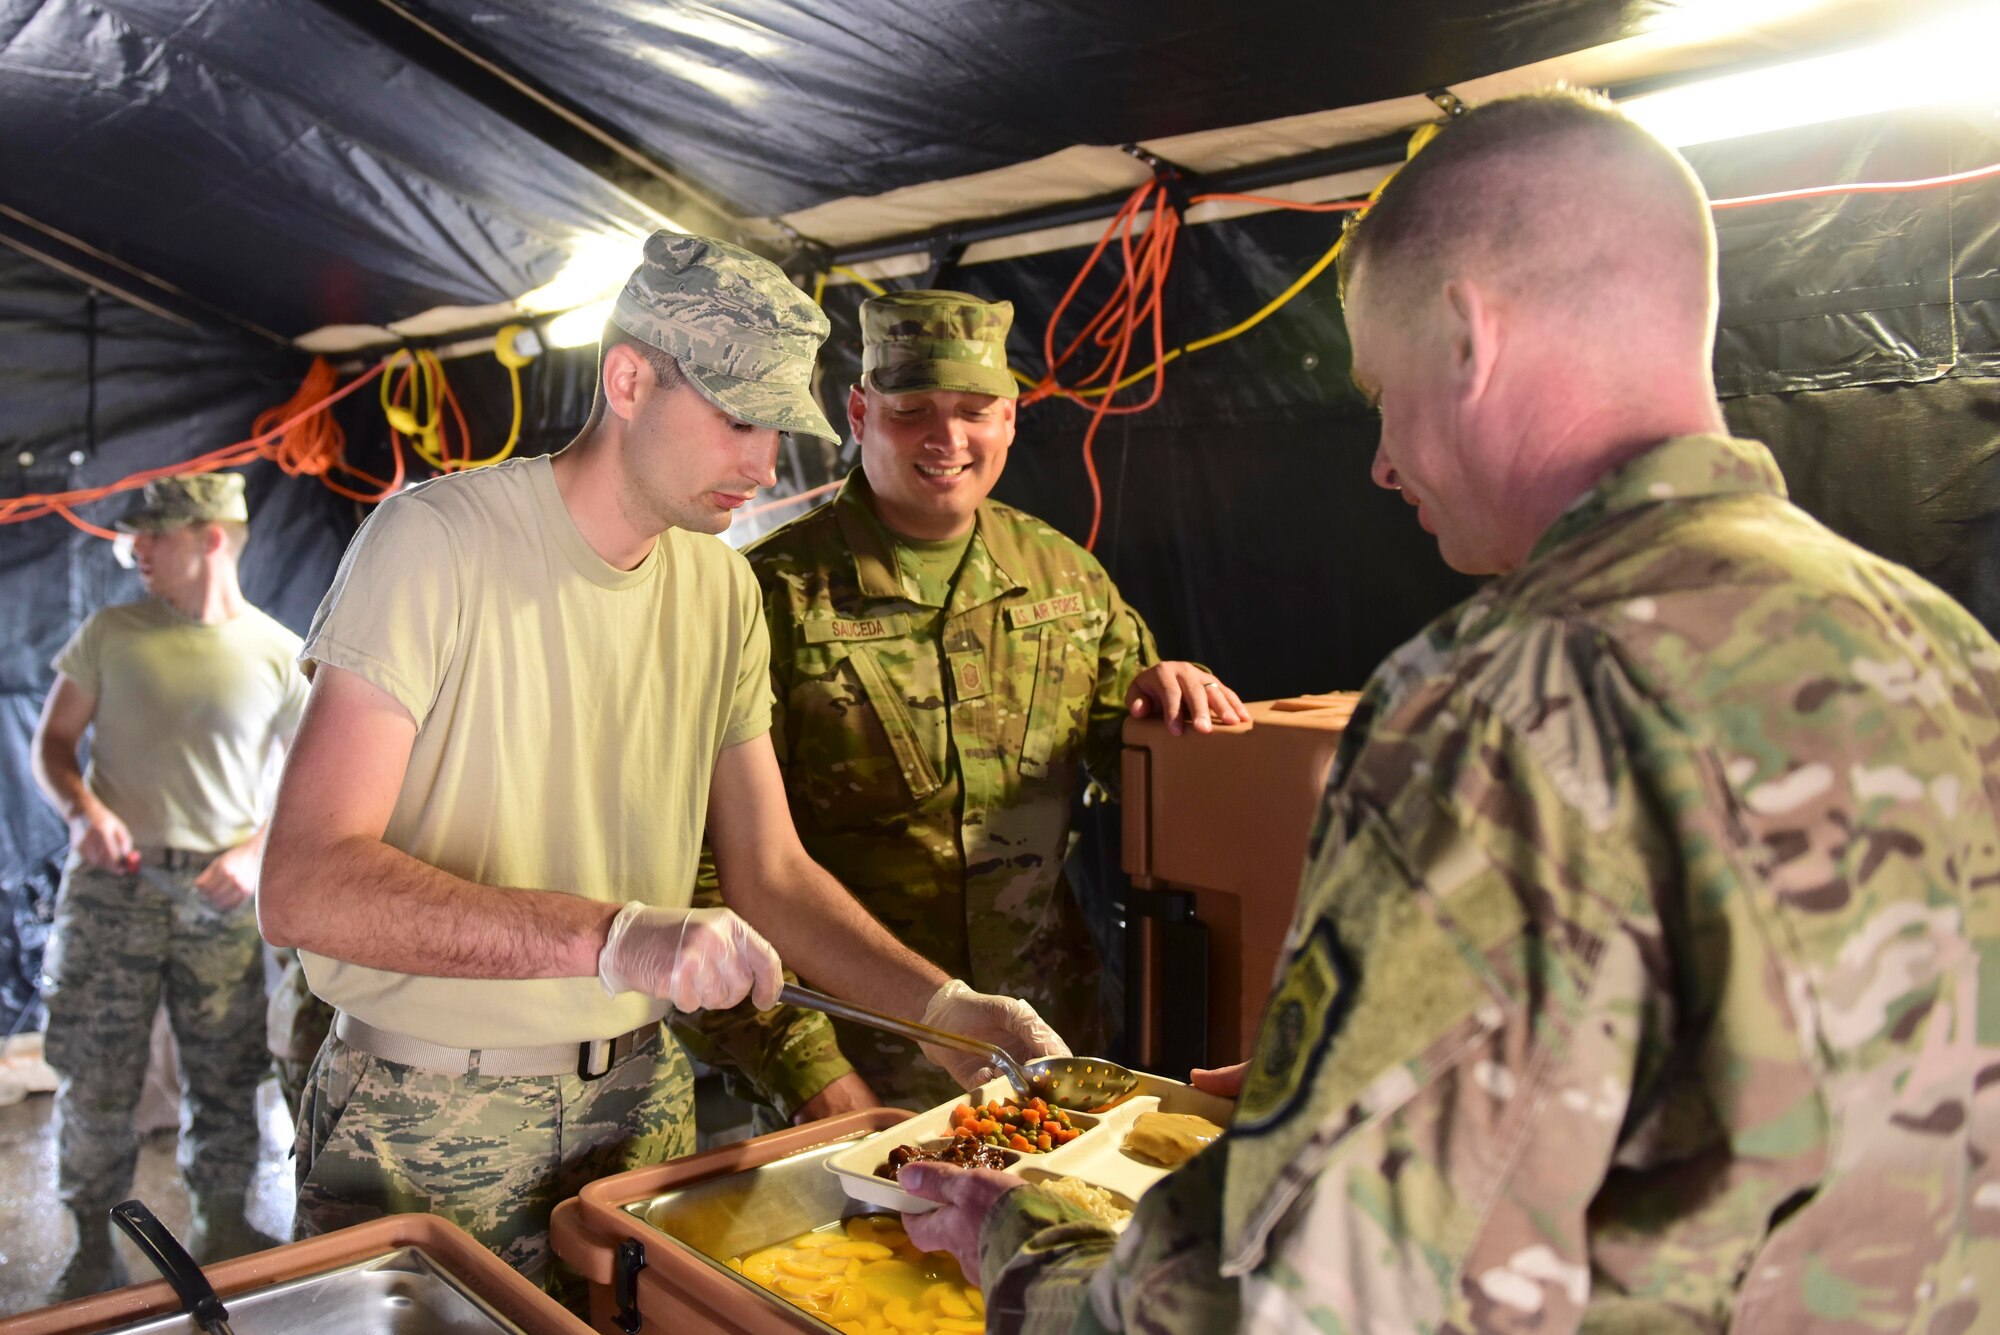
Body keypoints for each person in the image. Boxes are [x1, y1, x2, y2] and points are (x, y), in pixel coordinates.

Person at [895, 89, 2000, 1332]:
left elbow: (1310, 1299)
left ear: (1469, 336)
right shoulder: (1942, 648)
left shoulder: (1498, 703)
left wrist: (1030, 1247)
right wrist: (1391, 1065)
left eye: (1380, 385)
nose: (1378, 459)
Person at [257, 233, 1068, 1288]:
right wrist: (618, 937)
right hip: (426, 1109)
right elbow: (307, 885)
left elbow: (768, 874)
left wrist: (944, 1011)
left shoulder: (719, 591)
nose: (762, 465)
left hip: (643, 1101)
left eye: (778, 428)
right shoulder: (434, 543)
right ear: (629, 379)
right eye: (737, 419)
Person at [684, 290, 1247, 1118]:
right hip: (859, 1064)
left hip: (1050, 1054)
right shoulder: (765, 596)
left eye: (975, 411)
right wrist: (814, 1078)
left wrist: (1167, 708)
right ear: (859, 411)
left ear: (1011, 419)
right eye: (913, 410)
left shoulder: (1065, 579)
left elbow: (1133, 775)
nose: (947, 439)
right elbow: (698, 869)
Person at [31, 472, 304, 1297]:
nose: (136, 549)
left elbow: (309, 787)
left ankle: (221, 1224)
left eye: (154, 534)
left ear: (210, 537)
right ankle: (89, 1247)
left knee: (228, 1069)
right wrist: (82, 811)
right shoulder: (109, 633)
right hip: (113, 885)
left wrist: (256, 854)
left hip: (218, 897)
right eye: (135, 536)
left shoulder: (279, 651)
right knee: (94, 1070)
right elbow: (53, 746)